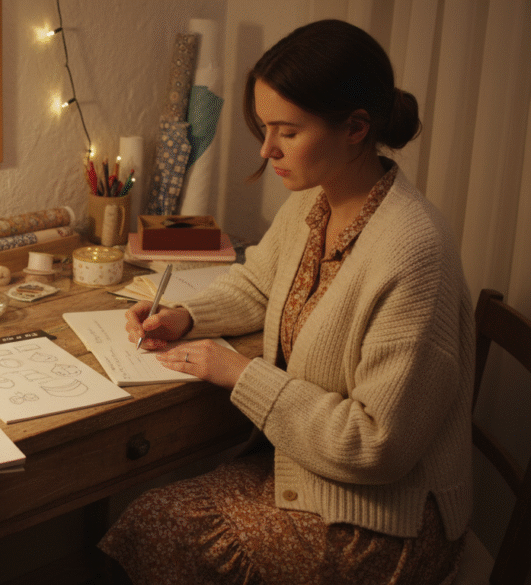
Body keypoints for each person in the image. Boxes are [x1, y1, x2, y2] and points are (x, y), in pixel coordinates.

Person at [99, 19, 474, 585]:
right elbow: (260, 285)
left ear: (355, 128)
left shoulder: (414, 253)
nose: (266, 148)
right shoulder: (315, 203)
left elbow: (377, 447)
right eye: (265, 127)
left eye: (287, 132)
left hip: (389, 519)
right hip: (312, 471)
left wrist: (239, 374)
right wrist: (186, 317)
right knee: (151, 512)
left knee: (156, 520)